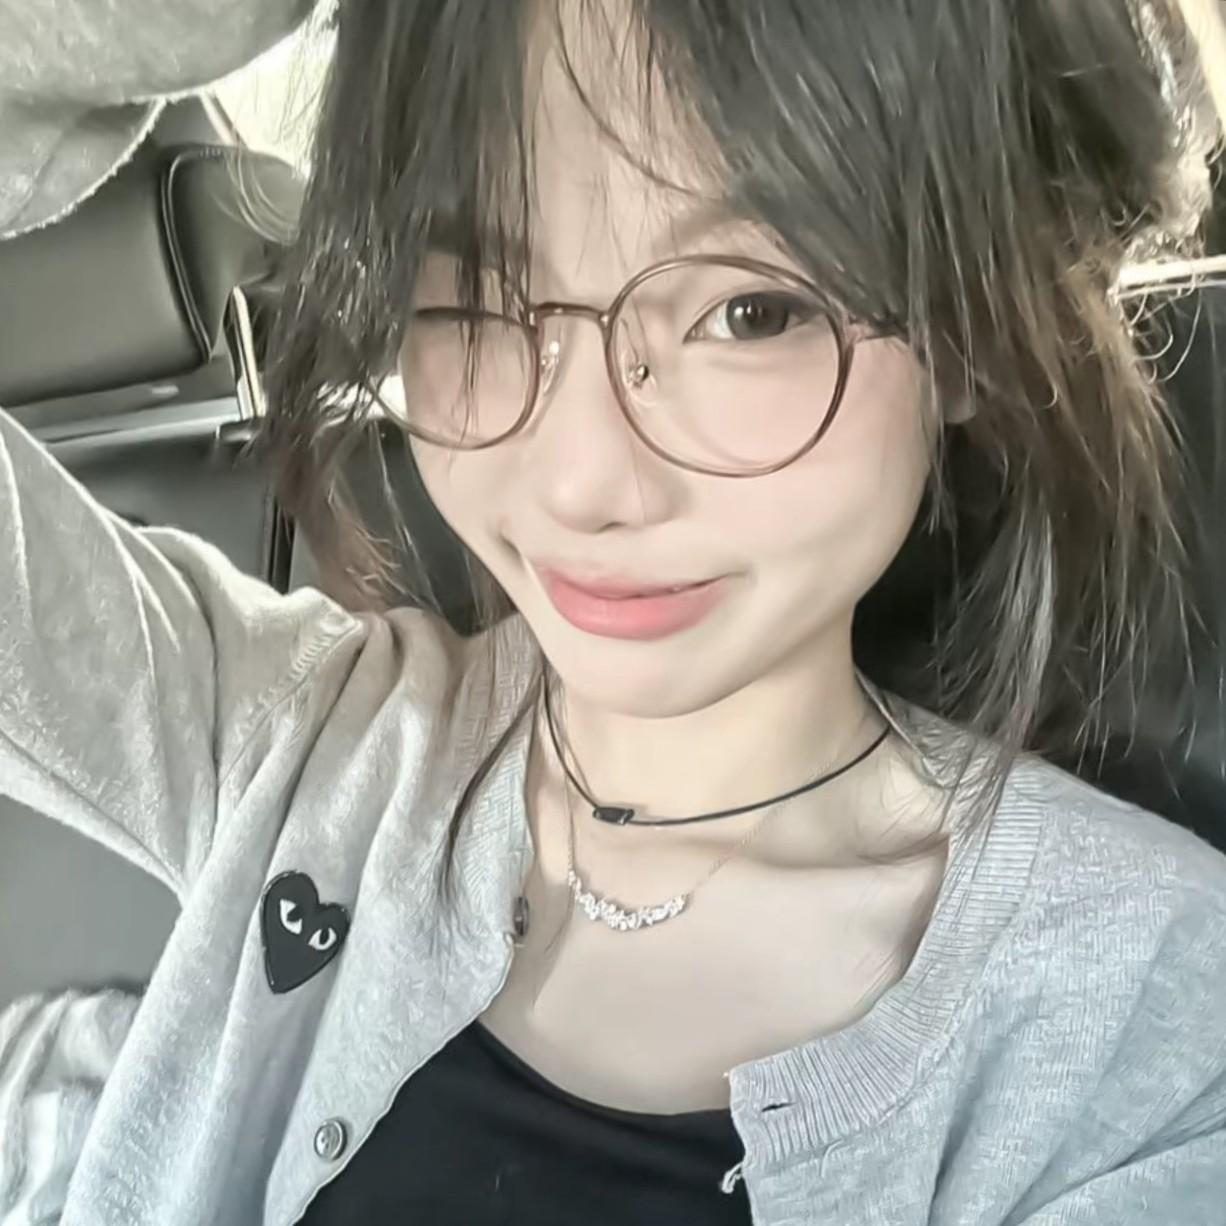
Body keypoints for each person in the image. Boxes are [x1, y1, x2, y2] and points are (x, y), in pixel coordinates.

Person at [1, 1, 1225, 1223]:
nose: (583, 481)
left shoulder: (1148, 1023)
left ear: (968, 335)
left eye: (750, 311)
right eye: (482, 295)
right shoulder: (301, 741)